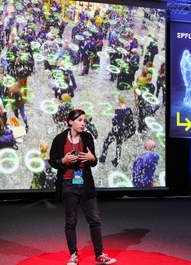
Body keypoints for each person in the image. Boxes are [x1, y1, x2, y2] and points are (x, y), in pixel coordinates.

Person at [48, 109, 117, 265]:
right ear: (70, 122)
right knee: (71, 222)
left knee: (95, 220)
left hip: (85, 184)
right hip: (67, 184)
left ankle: (99, 255)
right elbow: (52, 161)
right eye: (79, 120)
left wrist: (93, 159)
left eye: (84, 121)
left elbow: (93, 161)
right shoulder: (59, 139)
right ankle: (73, 255)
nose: (83, 124)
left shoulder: (87, 137)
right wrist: (63, 161)